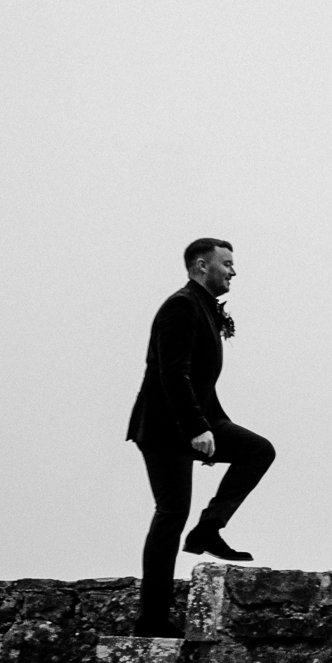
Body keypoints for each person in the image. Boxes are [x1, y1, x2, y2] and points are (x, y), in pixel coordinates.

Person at [125, 238, 276, 637]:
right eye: (226, 263)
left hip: (198, 419)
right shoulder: (182, 305)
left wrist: (211, 423)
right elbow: (172, 374)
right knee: (171, 514)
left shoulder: (204, 308)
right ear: (200, 265)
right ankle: (151, 619)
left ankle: (209, 528)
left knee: (258, 451)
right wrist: (197, 429)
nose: (233, 271)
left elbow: (200, 379)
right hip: (165, 429)